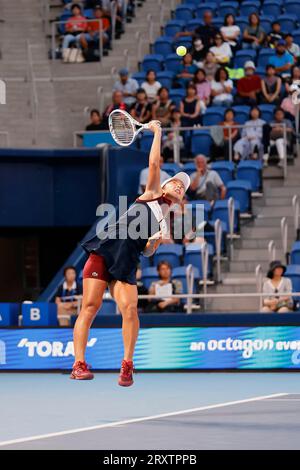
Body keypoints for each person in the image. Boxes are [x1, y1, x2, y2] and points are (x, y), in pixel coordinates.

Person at [71, 120, 191, 385]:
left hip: (126, 261)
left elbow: (146, 252)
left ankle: (127, 365)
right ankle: (78, 364)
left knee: (131, 310)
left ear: (181, 199)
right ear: (165, 185)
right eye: (176, 183)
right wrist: (158, 132)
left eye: (183, 188)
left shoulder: (164, 222)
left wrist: (154, 245)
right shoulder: (151, 193)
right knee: (90, 306)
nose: (179, 186)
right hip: (105, 251)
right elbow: (154, 164)